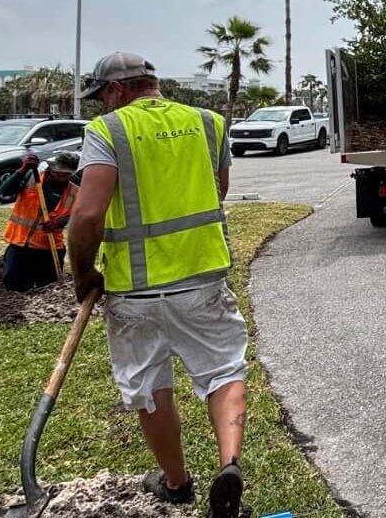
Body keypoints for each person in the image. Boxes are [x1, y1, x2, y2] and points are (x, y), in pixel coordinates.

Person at [67, 52, 248, 518]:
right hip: (202, 279)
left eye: (103, 97)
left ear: (118, 90)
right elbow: (219, 189)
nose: (103, 106)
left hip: (135, 291)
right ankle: (229, 464)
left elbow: (87, 214)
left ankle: (177, 483)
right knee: (224, 371)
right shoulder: (209, 122)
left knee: (150, 387)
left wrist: (84, 273)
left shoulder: (108, 131)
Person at [0, 150, 79, 292]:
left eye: (65, 174)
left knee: (48, 290)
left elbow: (78, 215)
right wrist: (23, 169)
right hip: (21, 244)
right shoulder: (32, 177)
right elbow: (4, 190)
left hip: (49, 247)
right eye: (57, 171)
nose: (60, 175)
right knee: (13, 286)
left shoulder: (76, 190)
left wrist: (60, 222)